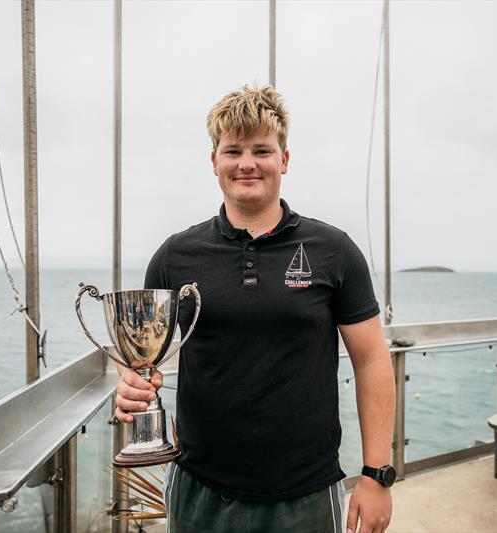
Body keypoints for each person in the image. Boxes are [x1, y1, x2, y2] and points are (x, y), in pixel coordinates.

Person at [115, 85, 396, 533]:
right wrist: (132, 384)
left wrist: (377, 475)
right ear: (214, 163)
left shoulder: (334, 251)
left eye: (262, 150)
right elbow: (147, 361)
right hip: (199, 489)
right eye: (233, 150)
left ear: (284, 160)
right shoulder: (174, 256)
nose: (247, 163)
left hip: (305, 494)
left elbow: (371, 359)